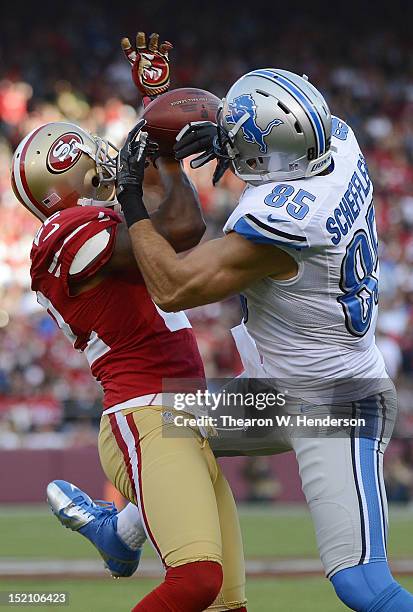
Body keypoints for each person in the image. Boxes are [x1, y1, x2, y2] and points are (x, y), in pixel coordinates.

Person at [114, 68, 413, 611]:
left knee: (363, 586)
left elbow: (173, 287)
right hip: (277, 388)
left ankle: (123, 532)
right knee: (171, 428)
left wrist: (132, 201)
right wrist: (234, 139)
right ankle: (123, 533)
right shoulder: (338, 140)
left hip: (336, 400)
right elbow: (281, 140)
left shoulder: (283, 223)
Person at [11, 32, 247, 612]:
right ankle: (119, 530)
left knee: (227, 606)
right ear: (63, 172)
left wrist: (161, 123)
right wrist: (147, 154)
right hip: (144, 413)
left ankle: (119, 531)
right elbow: (169, 230)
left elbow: (184, 227)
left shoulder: (105, 221)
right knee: (195, 582)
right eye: (88, 151)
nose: (104, 155)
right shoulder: (59, 236)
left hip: (188, 410)